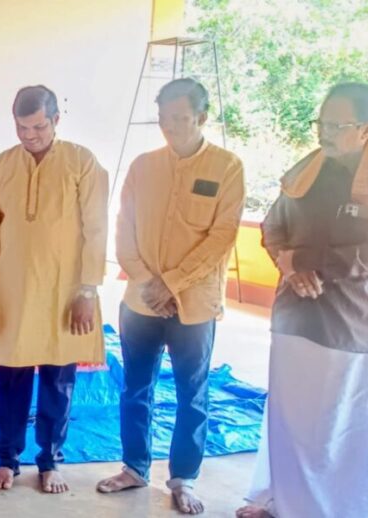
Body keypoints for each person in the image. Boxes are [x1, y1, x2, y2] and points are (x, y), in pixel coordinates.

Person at [97, 78, 245, 515]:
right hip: (141, 300)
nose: (171, 127)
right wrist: (148, 280)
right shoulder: (143, 166)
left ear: (202, 117)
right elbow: (123, 228)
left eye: (181, 119)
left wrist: (173, 282)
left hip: (193, 304)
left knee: (191, 393)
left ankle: (183, 478)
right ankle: (134, 467)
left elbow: (222, 236)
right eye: (164, 119)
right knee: (135, 387)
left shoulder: (227, 167)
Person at [236, 83, 368, 518]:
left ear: (366, 130)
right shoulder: (305, 173)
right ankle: (283, 502)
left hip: (349, 323)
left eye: (337, 125)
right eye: (322, 122)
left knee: (338, 428)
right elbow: (273, 227)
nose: (324, 132)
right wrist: (289, 266)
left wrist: (307, 263)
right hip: (294, 316)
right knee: (290, 419)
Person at [0, 85, 108, 494]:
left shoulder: (82, 162)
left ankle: (50, 460)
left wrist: (88, 292)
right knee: (10, 376)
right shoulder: (1, 166)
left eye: (38, 127)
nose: (30, 136)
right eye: (22, 127)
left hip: (65, 292)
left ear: (56, 121)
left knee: (58, 379)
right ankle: (7, 458)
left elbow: (97, 229)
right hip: (12, 290)